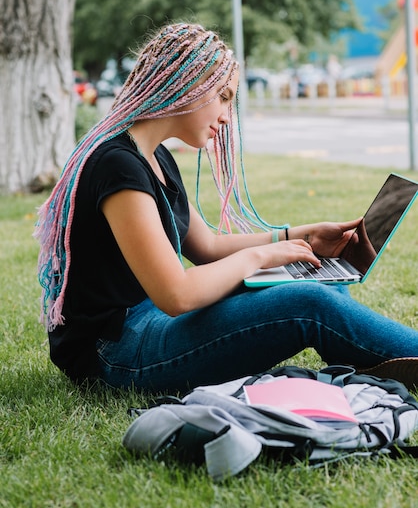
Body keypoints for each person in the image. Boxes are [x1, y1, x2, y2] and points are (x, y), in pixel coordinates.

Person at [35, 23, 418, 394]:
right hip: (117, 351)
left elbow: (208, 247)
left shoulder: (154, 157)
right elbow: (176, 294)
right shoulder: (117, 165)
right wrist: (262, 255)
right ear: (188, 86)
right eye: (223, 96)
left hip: (148, 323)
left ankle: (373, 364)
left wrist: (303, 237)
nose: (226, 115)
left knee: (316, 283)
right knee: (310, 305)